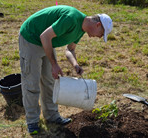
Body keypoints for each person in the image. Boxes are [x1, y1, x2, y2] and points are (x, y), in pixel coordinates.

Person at [19, 5, 113, 135]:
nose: (98, 37)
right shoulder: (71, 18)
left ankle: (52, 116)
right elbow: (44, 36)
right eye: (101, 34)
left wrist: (75, 65)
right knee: (32, 83)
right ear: (97, 25)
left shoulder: (81, 29)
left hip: (46, 41)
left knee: (50, 81)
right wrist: (54, 64)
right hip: (31, 37)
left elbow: (70, 49)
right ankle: (32, 122)